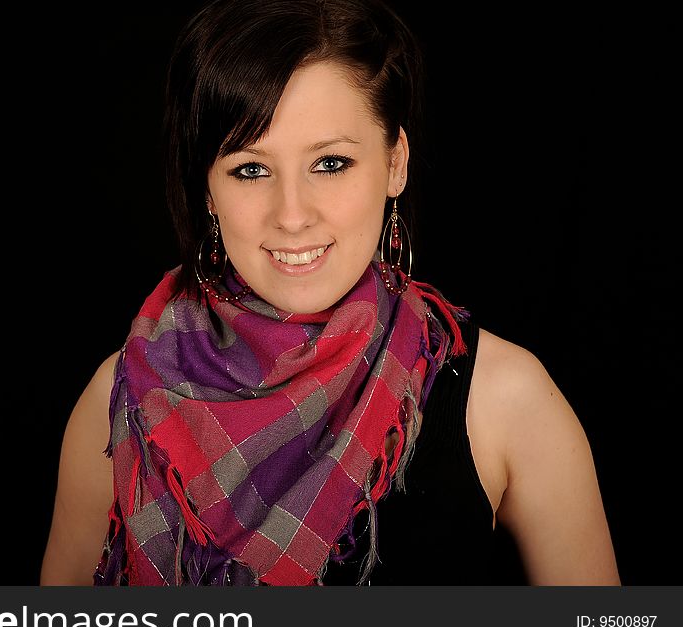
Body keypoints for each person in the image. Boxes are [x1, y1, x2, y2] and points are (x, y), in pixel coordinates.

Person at [40, 0, 620, 586]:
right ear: (206, 190)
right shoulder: (122, 403)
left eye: (331, 162)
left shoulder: (505, 401)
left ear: (395, 163)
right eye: (250, 169)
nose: (292, 215)